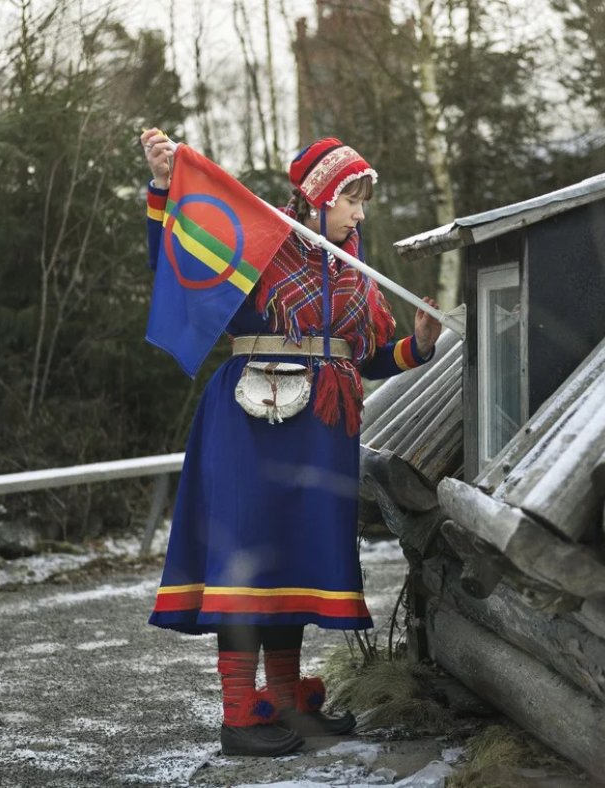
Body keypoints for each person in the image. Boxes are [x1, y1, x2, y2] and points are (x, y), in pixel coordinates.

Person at [139, 130, 442, 757]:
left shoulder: (351, 268)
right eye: (351, 200)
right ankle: (239, 713)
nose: (359, 214)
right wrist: (165, 187)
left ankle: (283, 699)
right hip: (251, 425)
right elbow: (178, 261)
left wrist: (418, 346)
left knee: (295, 558)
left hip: (321, 434)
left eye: (362, 202)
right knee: (248, 554)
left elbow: (365, 355)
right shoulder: (259, 241)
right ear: (319, 197)